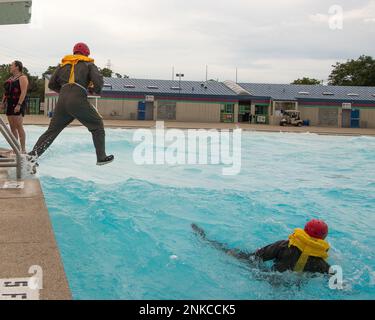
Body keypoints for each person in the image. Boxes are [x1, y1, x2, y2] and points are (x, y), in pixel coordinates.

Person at [29, 43, 114, 166]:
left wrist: (64, 92)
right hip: (78, 99)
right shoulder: (89, 64)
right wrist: (94, 90)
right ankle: (101, 157)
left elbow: (51, 84)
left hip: (62, 101)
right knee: (97, 125)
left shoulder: (63, 65)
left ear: (74, 53)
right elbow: (98, 83)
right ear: (86, 53)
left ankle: (32, 157)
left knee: (51, 131)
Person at [192, 219, 331, 274]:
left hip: (269, 277)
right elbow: (333, 277)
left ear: (304, 230)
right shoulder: (321, 263)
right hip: (293, 285)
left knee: (237, 255)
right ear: (323, 238)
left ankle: (205, 239)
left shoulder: (284, 245)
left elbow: (257, 257)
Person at [1, 61, 29, 153]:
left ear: (17, 67)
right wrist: (2, 103)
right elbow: (6, 92)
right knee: (12, 127)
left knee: (19, 126)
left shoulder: (22, 78)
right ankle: (15, 148)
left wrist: (19, 105)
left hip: (18, 103)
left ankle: (23, 149)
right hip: (10, 103)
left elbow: (24, 92)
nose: (10, 67)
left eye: (11, 65)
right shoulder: (10, 79)